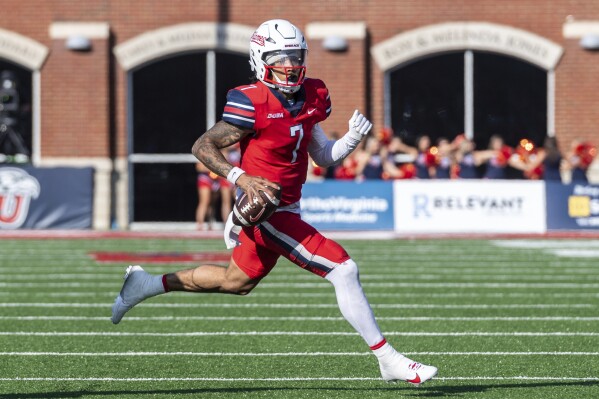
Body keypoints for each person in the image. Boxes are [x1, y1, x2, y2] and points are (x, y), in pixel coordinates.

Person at [111, 19, 437, 385]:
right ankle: (387, 359)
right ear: (260, 58)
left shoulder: (313, 95)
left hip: (287, 206)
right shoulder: (251, 101)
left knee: (236, 282)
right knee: (343, 269)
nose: (290, 64)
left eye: (295, 56)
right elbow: (202, 145)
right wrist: (241, 178)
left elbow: (323, 156)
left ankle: (145, 285)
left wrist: (351, 139)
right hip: (266, 209)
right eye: (281, 57)